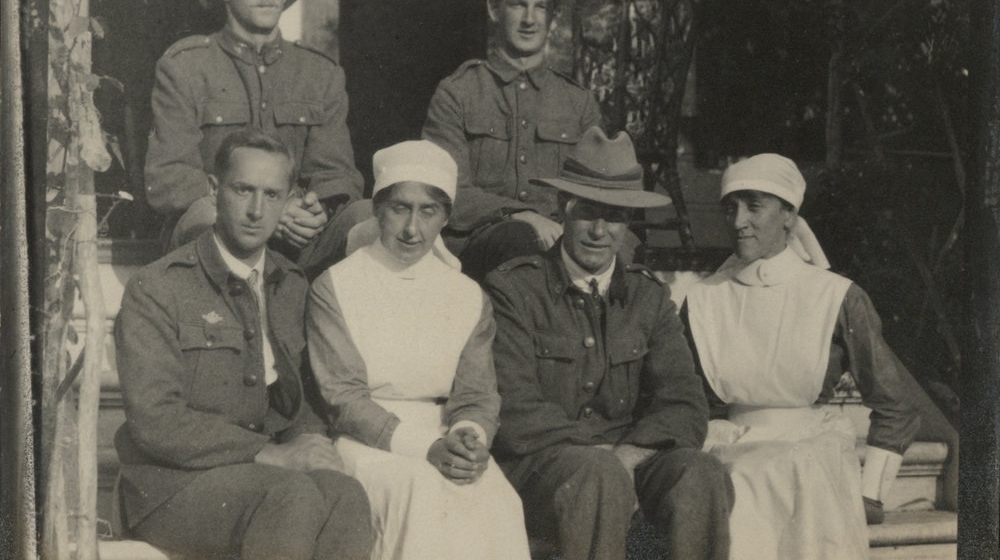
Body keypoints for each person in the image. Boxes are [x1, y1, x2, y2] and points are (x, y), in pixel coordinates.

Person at [114, 130, 372, 559]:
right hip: (171, 485)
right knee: (292, 495)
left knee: (346, 495)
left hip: (258, 476)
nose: (256, 210)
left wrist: (312, 446)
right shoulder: (158, 287)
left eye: (272, 195)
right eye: (243, 190)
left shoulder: (290, 283)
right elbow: (154, 421)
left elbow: (299, 400)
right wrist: (268, 454)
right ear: (215, 190)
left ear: (289, 200)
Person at [484, 127, 733, 560]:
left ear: (629, 222)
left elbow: (685, 403)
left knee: (700, 472)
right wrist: (600, 458)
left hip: (627, 461)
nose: (600, 231)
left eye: (615, 215)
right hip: (543, 469)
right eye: (588, 212)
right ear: (563, 208)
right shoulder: (515, 290)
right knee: (596, 474)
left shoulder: (649, 297)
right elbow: (513, 407)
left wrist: (629, 456)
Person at [682, 153, 924, 560]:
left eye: (754, 206)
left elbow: (897, 403)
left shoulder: (836, 297)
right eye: (731, 207)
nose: (739, 220)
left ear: (789, 214)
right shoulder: (703, 301)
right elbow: (686, 398)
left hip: (807, 456)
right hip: (726, 449)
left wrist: (871, 493)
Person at [306, 140, 531, 560]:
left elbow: (478, 395)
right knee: (420, 493)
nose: (413, 229)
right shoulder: (336, 286)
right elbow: (344, 398)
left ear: (445, 216)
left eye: (428, 211)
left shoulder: (467, 295)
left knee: (500, 500)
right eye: (399, 208)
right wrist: (422, 447)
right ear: (378, 209)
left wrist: (469, 439)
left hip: (446, 437)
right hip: (367, 443)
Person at [144, 0, 365, 267]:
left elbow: (336, 173)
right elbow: (169, 179)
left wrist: (318, 207)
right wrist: (265, 210)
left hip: (299, 237)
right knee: (203, 216)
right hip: (218, 226)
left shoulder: (319, 72)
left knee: (366, 221)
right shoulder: (185, 67)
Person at [422, 0, 604, 281]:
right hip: (479, 243)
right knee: (520, 239)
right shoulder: (457, 93)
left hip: (563, 239)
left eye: (540, 7)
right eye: (519, 4)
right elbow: (445, 190)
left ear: (554, 17)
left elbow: (596, 192)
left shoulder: (578, 102)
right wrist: (522, 215)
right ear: (494, 8)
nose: (529, 19)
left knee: (628, 248)